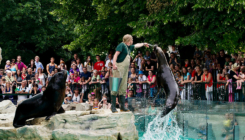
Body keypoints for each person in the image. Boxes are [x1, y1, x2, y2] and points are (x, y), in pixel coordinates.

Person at [110, 34, 149, 113]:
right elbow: (116, 54)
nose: (132, 41)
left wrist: (144, 44)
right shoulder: (122, 45)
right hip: (118, 68)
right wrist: (114, 64)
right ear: (128, 40)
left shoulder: (129, 48)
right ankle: (113, 106)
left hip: (125, 70)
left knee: (123, 87)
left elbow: (137, 45)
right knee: (115, 87)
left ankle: (122, 106)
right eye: (132, 39)